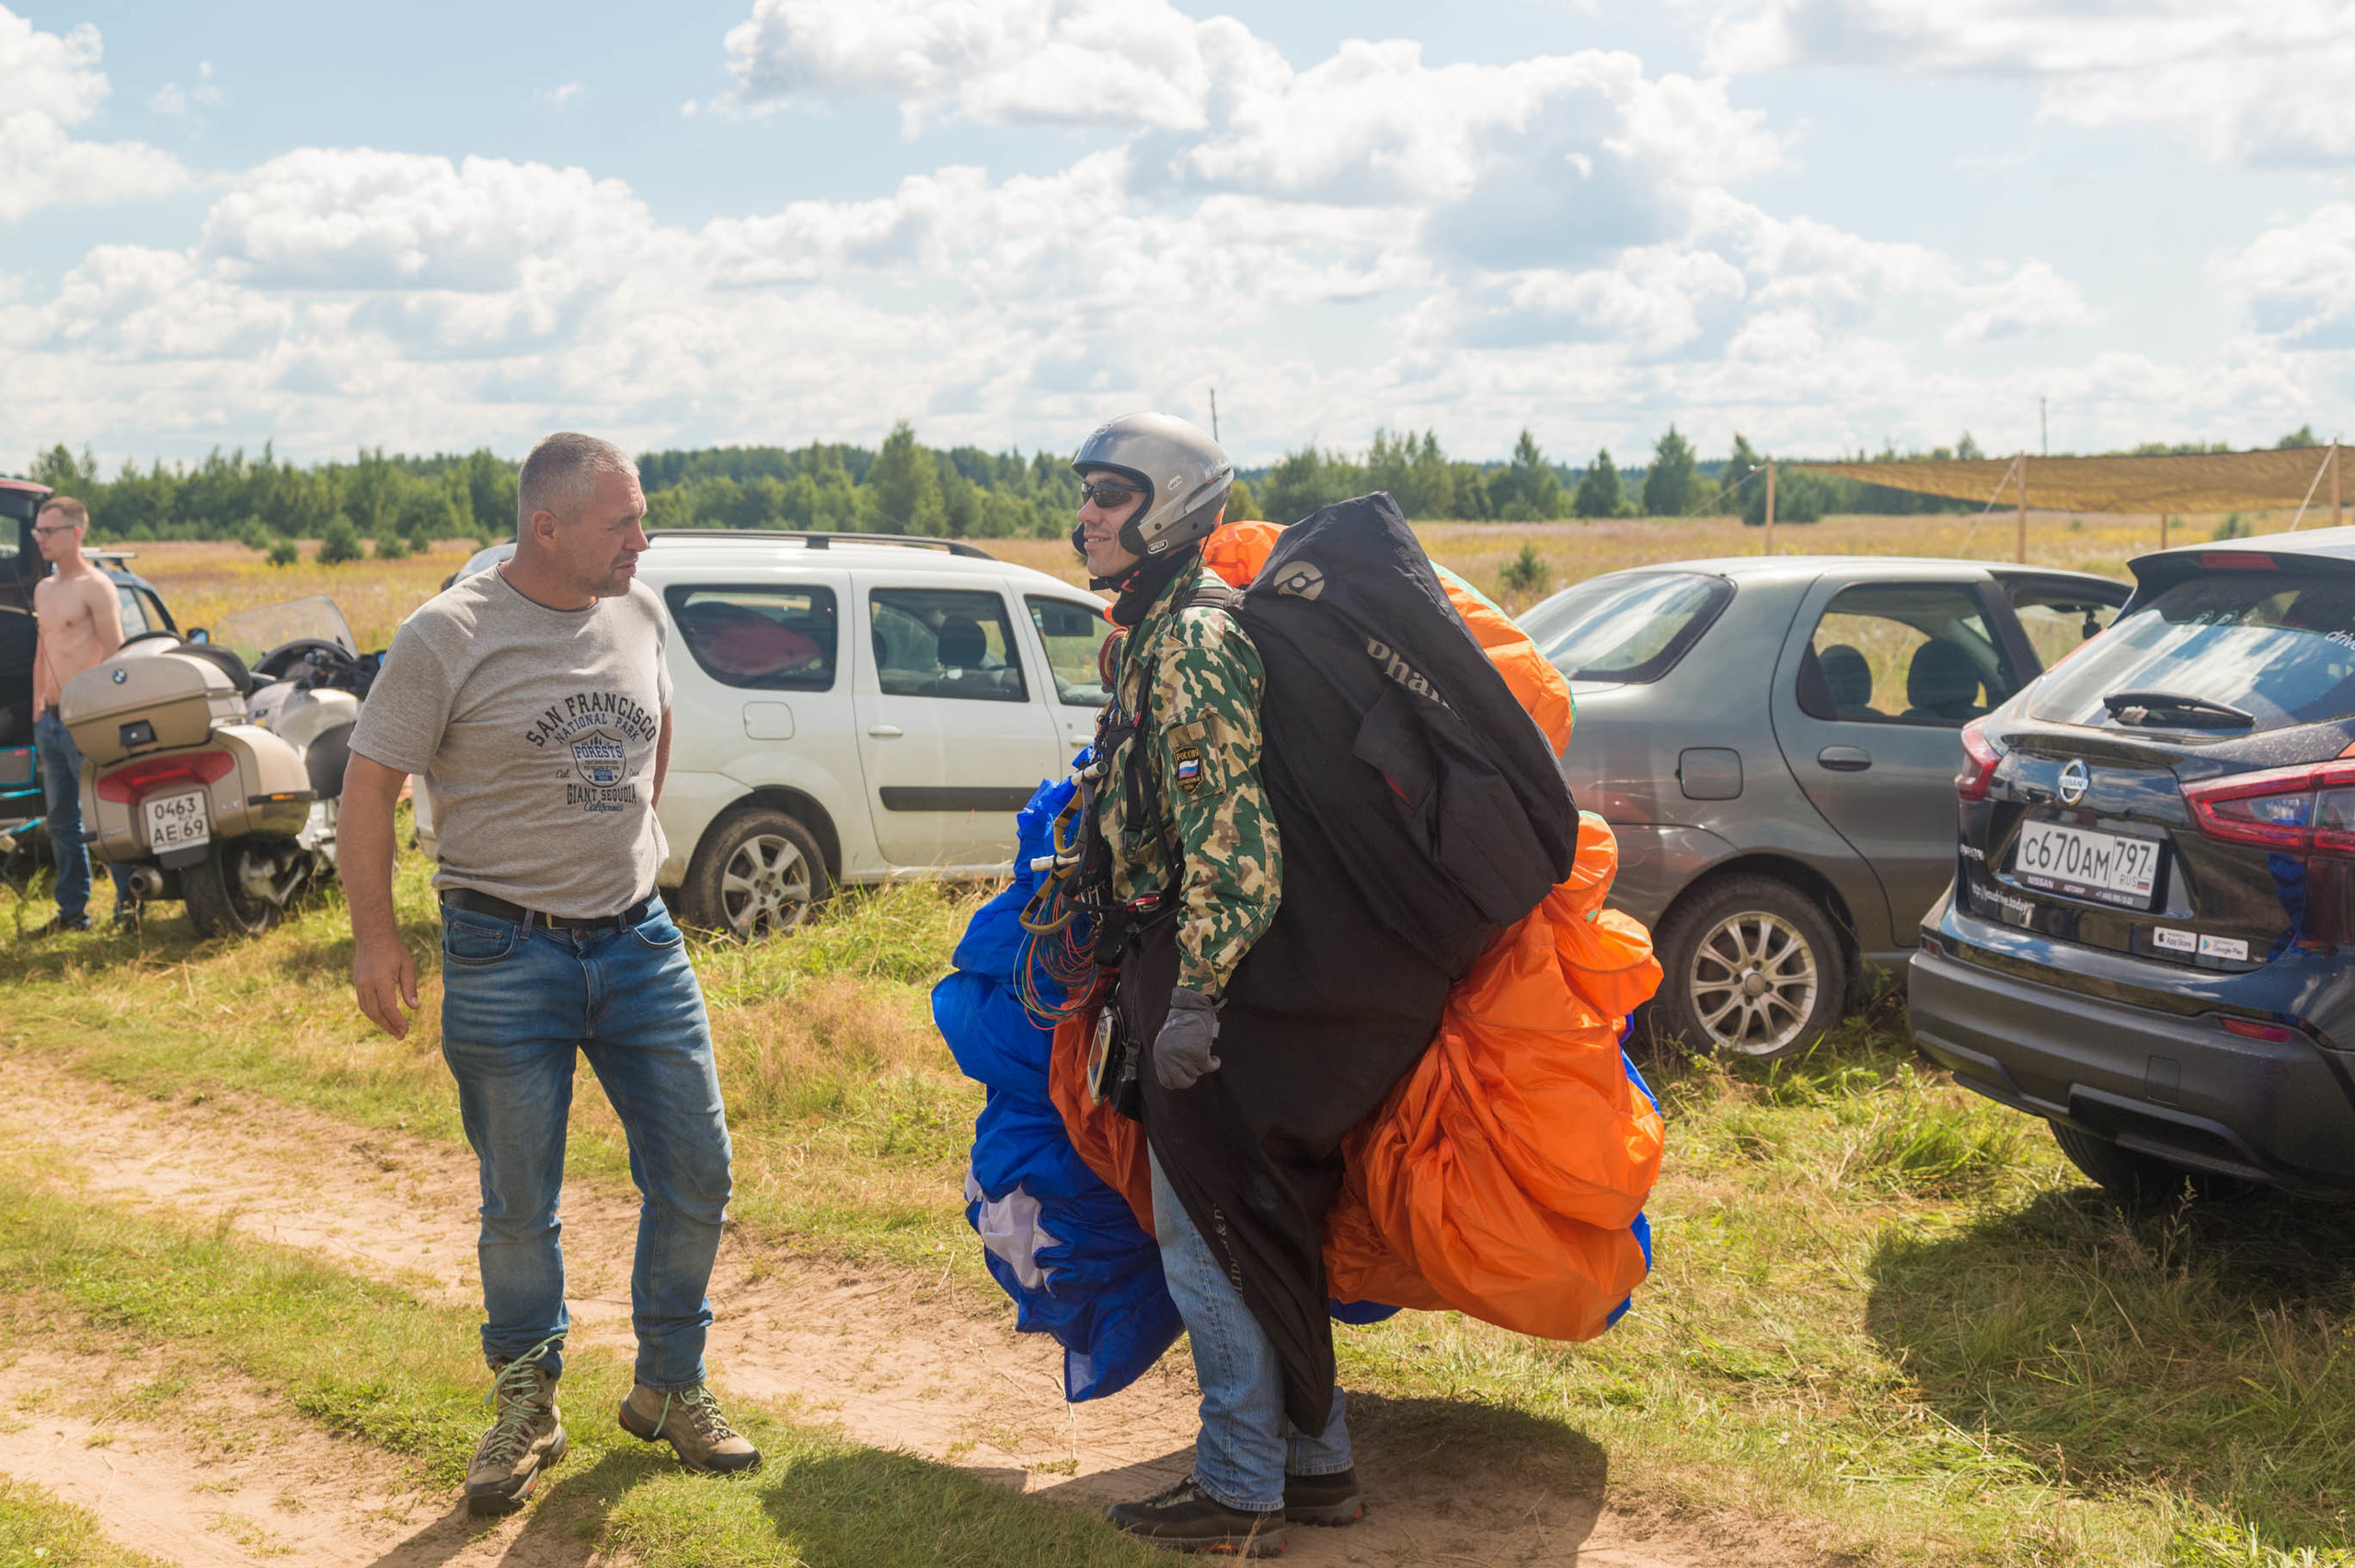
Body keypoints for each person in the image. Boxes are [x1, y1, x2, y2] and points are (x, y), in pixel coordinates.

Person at [342, 432, 759, 1516]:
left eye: (641, 516)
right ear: (547, 528)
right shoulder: (448, 634)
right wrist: (376, 937)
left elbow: (654, 724)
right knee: (519, 1203)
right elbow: (369, 785)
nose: (641, 537)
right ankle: (526, 1400)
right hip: (500, 950)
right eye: (621, 521)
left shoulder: (640, 611)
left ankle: (670, 1383)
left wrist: (634, 839)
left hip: (637, 940)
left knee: (699, 1169)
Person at [1074, 414, 1361, 1557]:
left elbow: (1229, 837)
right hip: (1205, 966)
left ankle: (1240, 1487)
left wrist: (1192, 997)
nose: (1087, 513)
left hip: (1205, 972)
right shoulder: (1158, 629)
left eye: (1111, 494)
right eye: (1088, 493)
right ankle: (1315, 1463)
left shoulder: (1189, 643)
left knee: (1207, 1236)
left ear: (1172, 508)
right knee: (1256, 1217)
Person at [29, 496, 133, 934]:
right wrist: (37, 710)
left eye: (47, 531)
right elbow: (42, 653)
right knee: (61, 823)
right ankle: (72, 911)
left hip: (87, 721)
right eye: (36, 531)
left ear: (75, 534)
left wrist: (106, 715)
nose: (39, 540)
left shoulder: (97, 587)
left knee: (106, 817)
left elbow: (116, 657)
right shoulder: (44, 589)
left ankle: (129, 908)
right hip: (51, 722)